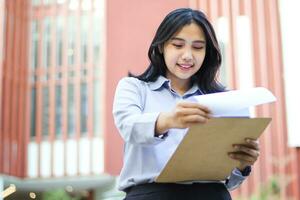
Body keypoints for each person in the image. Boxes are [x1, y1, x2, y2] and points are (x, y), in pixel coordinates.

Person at [113, 8, 260, 200]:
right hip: (152, 195)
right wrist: (168, 120)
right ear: (161, 46)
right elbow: (128, 126)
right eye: (178, 45)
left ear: (207, 52)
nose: (188, 55)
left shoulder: (223, 99)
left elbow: (230, 182)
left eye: (198, 47)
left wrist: (241, 164)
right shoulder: (134, 88)